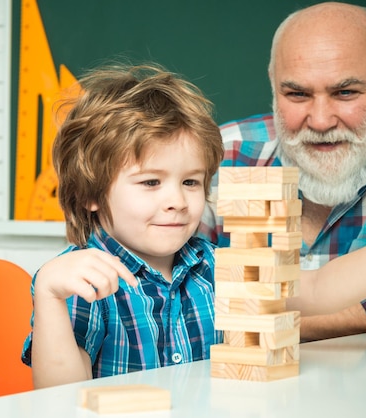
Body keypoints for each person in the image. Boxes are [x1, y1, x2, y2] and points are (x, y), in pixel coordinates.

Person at [198, 2, 366, 341]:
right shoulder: (222, 152)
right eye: (297, 94)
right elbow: (179, 293)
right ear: (273, 86)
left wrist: (267, 333)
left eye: (345, 92)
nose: (320, 121)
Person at [21, 63, 225, 388]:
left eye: (190, 181)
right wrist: (48, 295)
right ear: (91, 194)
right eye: (150, 182)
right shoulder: (83, 282)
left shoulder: (215, 265)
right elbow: (58, 397)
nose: (178, 201)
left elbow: (307, 291)